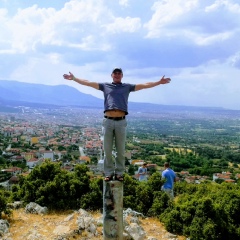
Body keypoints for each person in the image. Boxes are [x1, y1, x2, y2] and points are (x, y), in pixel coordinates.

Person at [63, 68, 171, 182]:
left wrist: (158, 82)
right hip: (108, 121)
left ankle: (119, 173)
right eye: (115, 73)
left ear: (122, 76)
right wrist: (74, 78)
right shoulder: (105, 86)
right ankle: (108, 173)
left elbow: (143, 85)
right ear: (112, 75)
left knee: (121, 150)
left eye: (119, 73)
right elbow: (89, 83)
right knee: (107, 150)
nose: (117, 75)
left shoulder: (127, 87)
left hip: (121, 121)